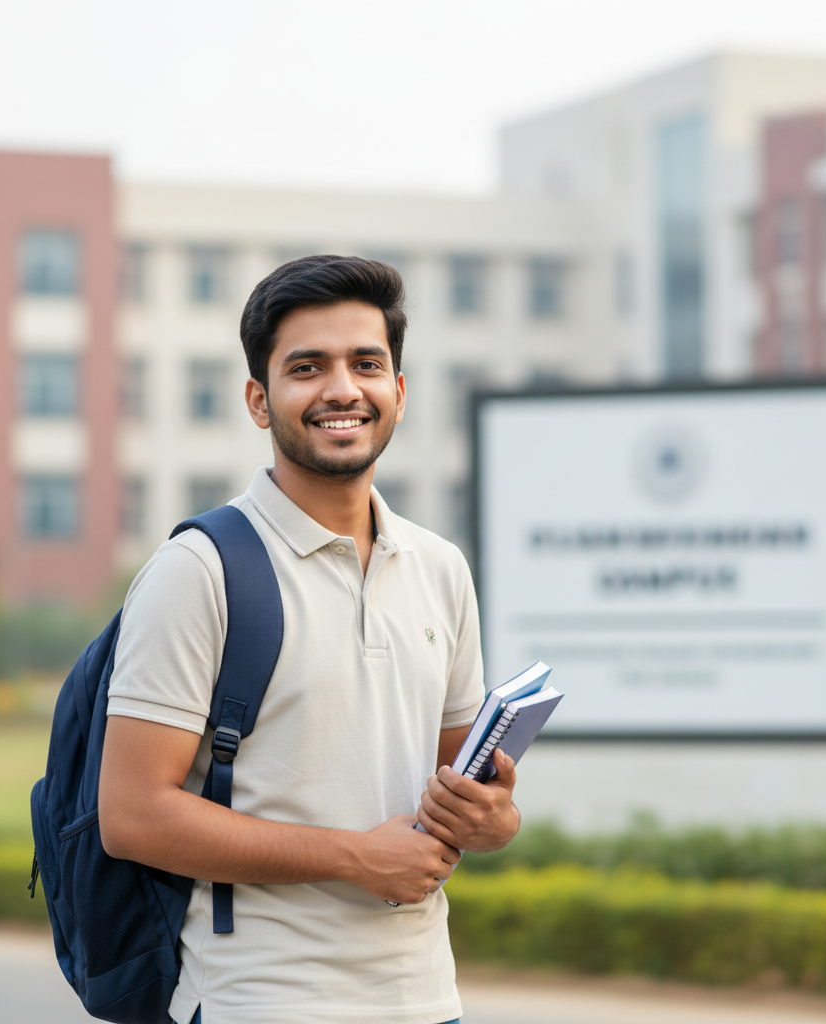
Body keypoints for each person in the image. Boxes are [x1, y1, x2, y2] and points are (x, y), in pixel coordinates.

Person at [98, 255, 521, 1024]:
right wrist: (355, 858)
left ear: (399, 392)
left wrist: (493, 820)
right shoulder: (199, 569)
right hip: (258, 1001)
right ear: (260, 401)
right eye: (307, 367)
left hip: (428, 1002)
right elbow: (133, 816)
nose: (342, 389)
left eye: (367, 363)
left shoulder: (440, 568)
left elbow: (456, 785)